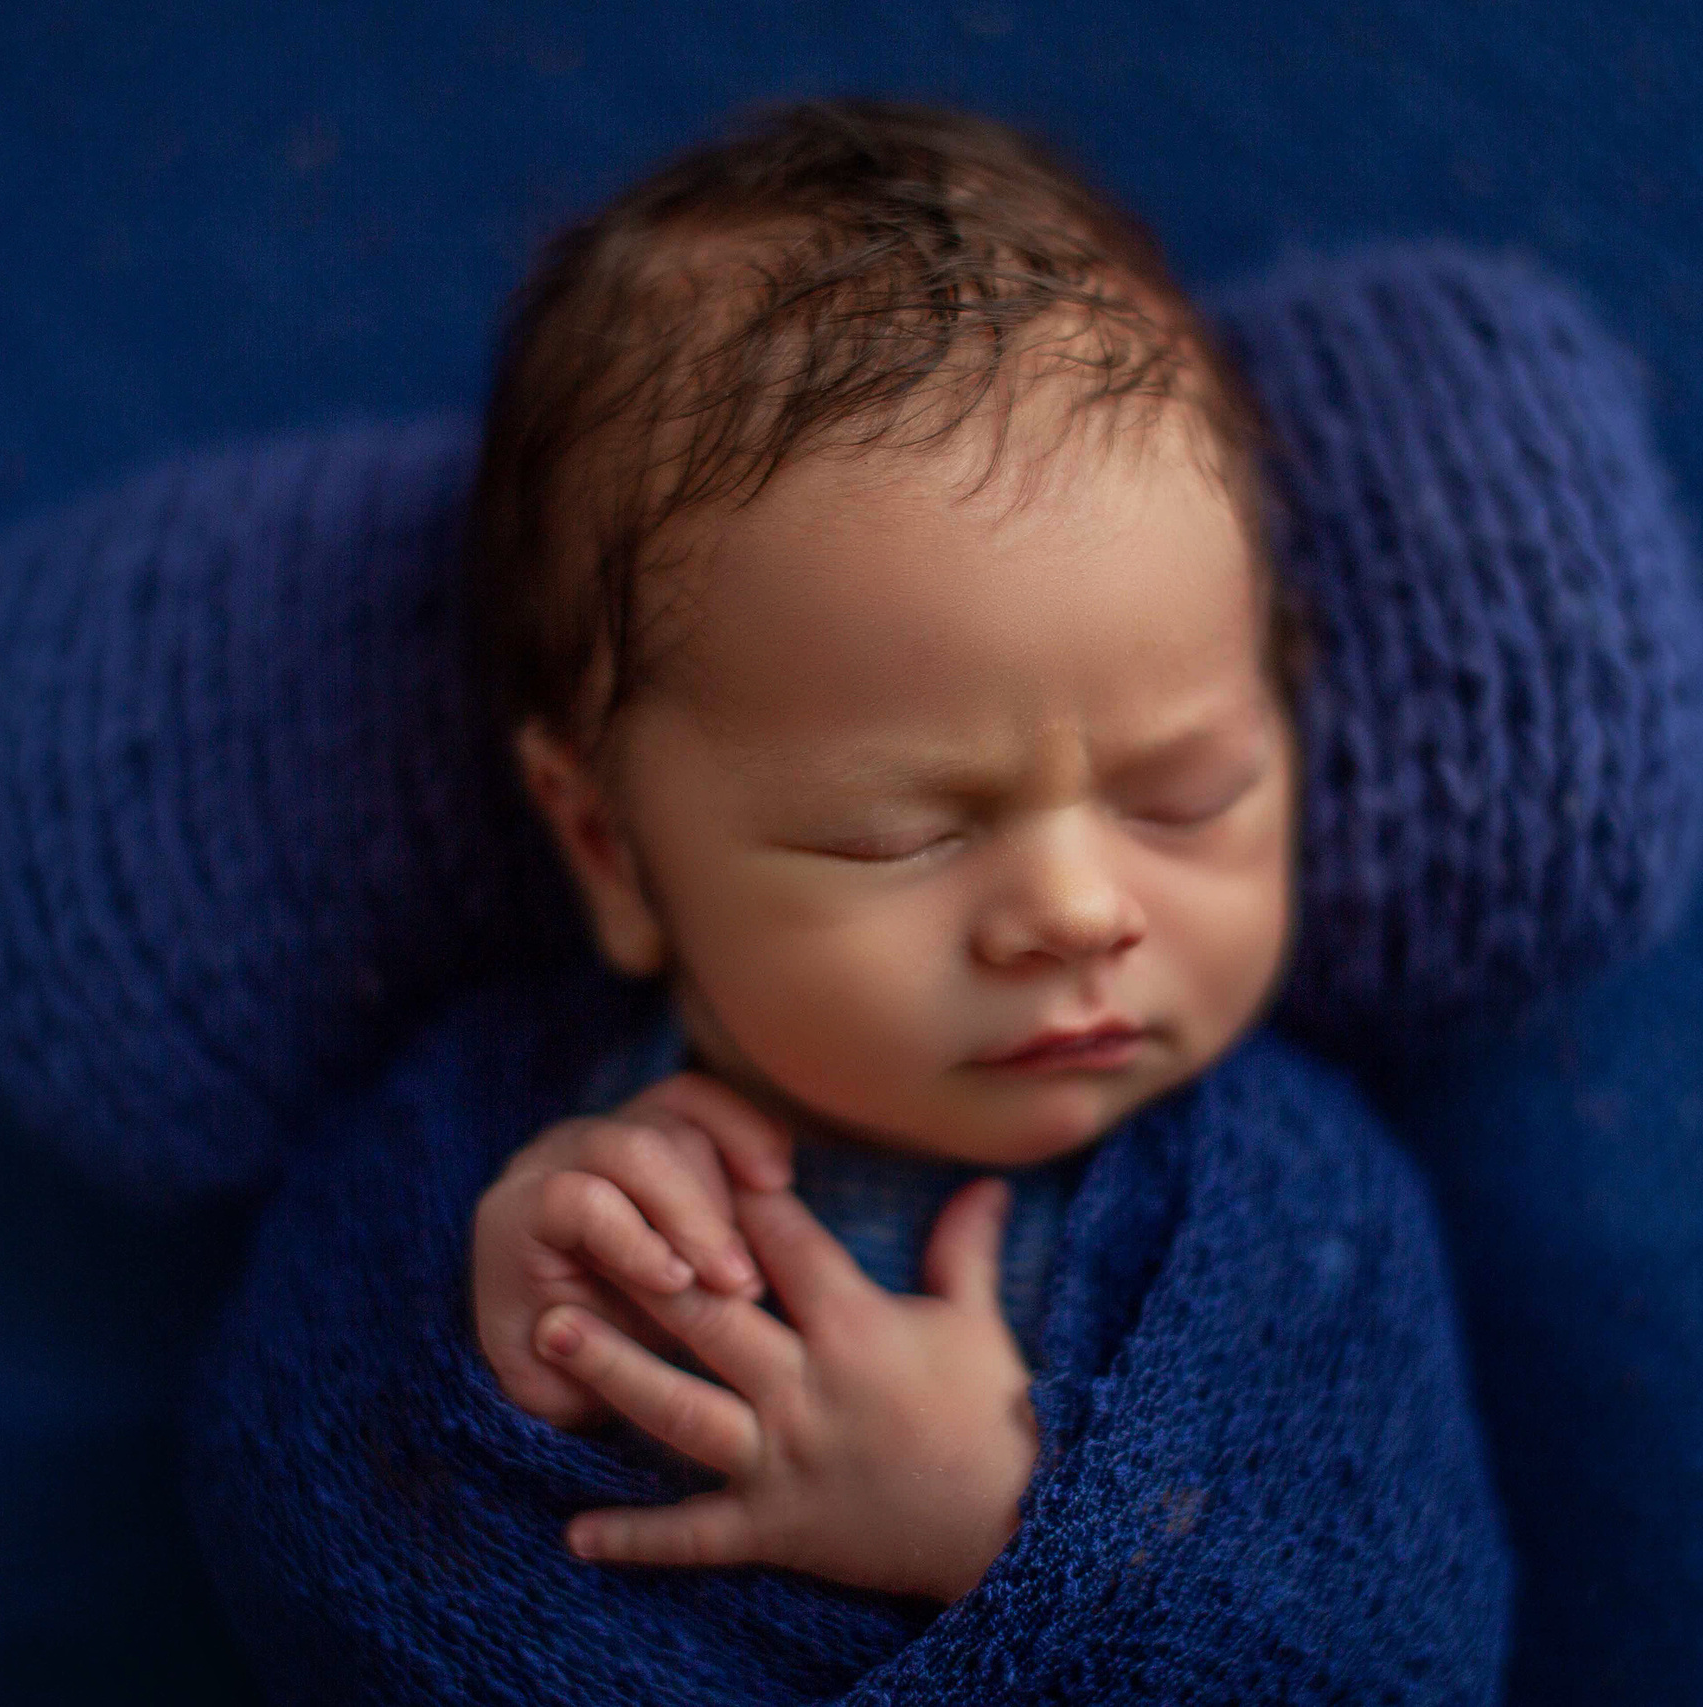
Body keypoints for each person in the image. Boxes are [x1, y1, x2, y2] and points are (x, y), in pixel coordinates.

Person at [461, 98, 1354, 1606]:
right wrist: (494, 1372)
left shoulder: (1296, 1220)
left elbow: (1395, 1642)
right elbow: (308, 1525)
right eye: (902, 835)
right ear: (608, 848)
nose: (1075, 912)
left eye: (1187, 795)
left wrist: (1014, 1540)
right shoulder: (497, 1143)